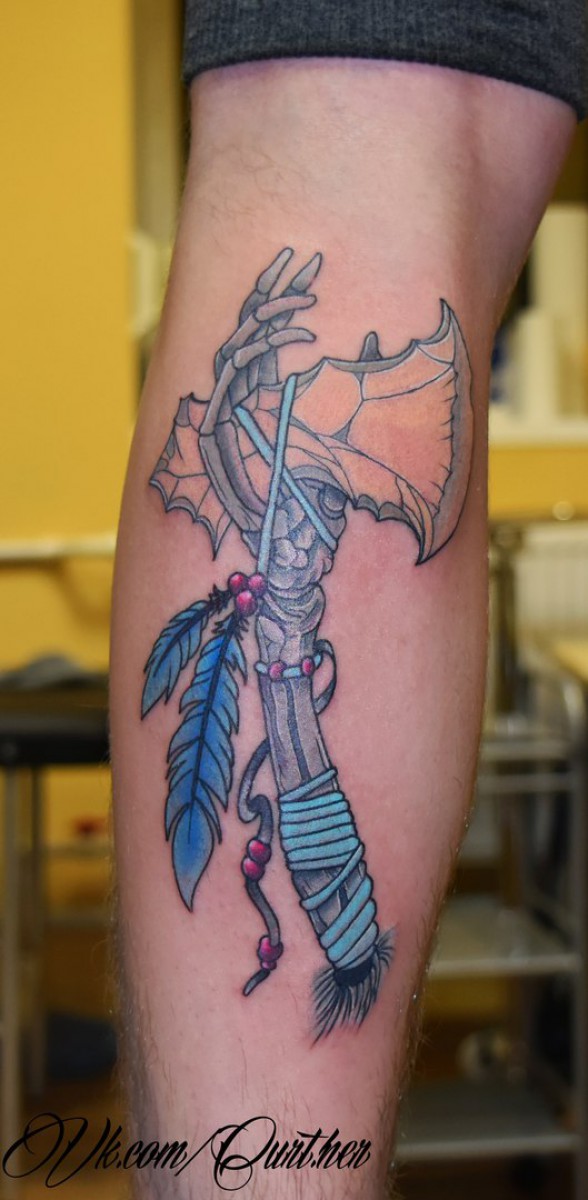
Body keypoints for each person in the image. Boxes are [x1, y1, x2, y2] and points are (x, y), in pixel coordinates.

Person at [110, 3, 586, 1196]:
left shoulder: (315, 489)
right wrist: (240, 379)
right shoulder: (279, 489)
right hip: (285, 667)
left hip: (289, 663)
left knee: (350, 119)